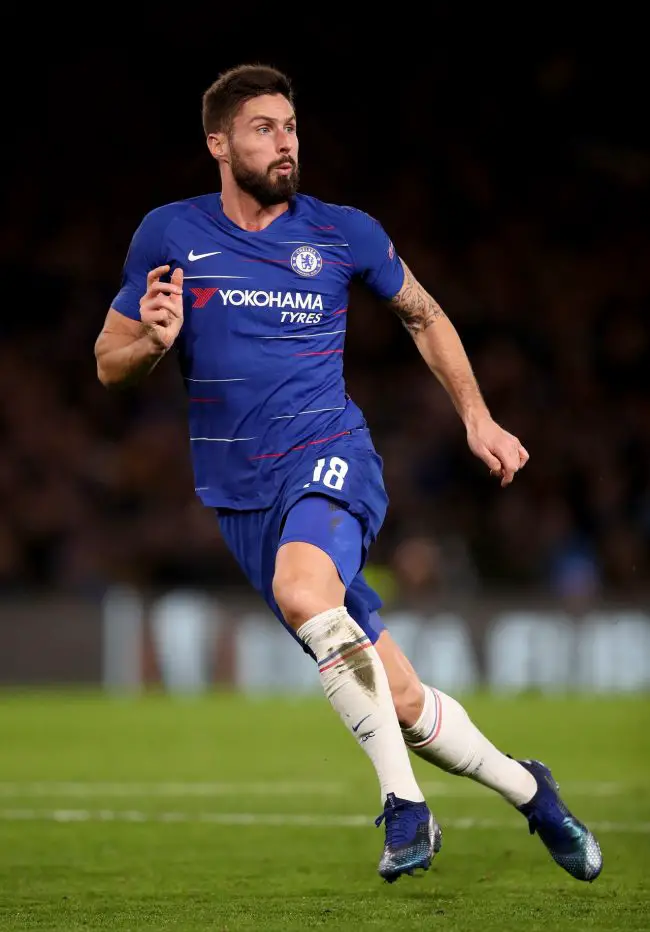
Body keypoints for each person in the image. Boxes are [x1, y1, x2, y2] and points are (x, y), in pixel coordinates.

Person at [94, 63, 602, 884]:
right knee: (401, 702)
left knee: (304, 592)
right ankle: (532, 792)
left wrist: (477, 416)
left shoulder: (342, 233)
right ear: (218, 144)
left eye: (291, 126)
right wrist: (150, 343)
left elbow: (424, 315)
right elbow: (107, 362)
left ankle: (404, 809)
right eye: (264, 128)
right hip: (240, 496)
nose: (285, 142)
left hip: (330, 453)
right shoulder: (169, 234)